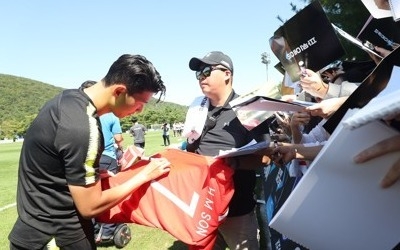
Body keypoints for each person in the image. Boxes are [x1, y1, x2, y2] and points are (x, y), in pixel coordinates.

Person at [8, 54, 171, 250]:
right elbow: (90, 207)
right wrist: (144, 175)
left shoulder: (66, 100)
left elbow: (54, 168)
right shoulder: (83, 127)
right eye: (140, 103)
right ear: (119, 91)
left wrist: (92, 176)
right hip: (57, 238)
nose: (139, 111)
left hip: (30, 231)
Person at [183, 51, 262, 250]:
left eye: (207, 70)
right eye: (198, 73)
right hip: (201, 208)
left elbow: (265, 159)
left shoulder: (249, 107)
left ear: (227, 73)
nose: (201, 76)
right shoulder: (197, 109)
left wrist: (229, 163)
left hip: (237, 210)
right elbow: (191, 149)